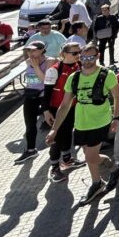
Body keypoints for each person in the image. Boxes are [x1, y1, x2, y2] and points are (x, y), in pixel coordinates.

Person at [45, 42, 119, 205]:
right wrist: (54, 129)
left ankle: (97, 183)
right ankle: (111, 168)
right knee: (91, 157)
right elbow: (65, 105)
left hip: (100, 120)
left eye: (91, 57)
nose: (87, 60)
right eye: (84, 57)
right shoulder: (74, 78)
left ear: (97, 56)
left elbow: (117, 97)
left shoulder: (107, 75)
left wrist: (116, 118)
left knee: (89, 156)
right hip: (81, 122)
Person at [42, 42, 86, 182]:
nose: (78, 55)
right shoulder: (54, 70)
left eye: (79, 52)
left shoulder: (79, 66)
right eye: (74, 53)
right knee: (56, 138)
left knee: (68, 133)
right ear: (64, 54)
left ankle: (67, 160)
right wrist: (46, 111)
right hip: (56, 109)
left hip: (73, 107)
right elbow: (47, 92)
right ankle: (54, 168)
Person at [15, 41, 56, 164]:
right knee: (29, 123)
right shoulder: (28, 62)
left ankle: (58, 151)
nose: (30, 53)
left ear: (42, 50)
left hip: (45, 95)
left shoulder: (50, 61)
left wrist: (37, 67)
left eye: (33, 50)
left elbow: (46, 81)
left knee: (52, 122)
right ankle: (31, 149)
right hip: (31, 95)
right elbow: (30, 80)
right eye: (28, 50)